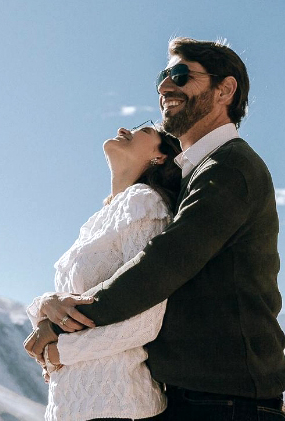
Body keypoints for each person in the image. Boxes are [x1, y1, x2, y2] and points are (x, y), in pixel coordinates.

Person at [24, 37, 285, 420]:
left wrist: (62, 326)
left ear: (225, 90)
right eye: (163, 77)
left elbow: (164, 264)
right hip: (198, 397)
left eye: (181, 75)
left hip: (228, 401)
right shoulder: (196, 173)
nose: (166, 86)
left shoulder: (229, 167)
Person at [23, 123, 182, 421]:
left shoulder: (144, 203)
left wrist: (60, 353)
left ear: (159, 157)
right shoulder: (101, 218)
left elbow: (145, 320)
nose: (125, 129)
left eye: (144, 130)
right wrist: (45, 304)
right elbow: (77, 299)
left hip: (118, 403)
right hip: (70, 403)